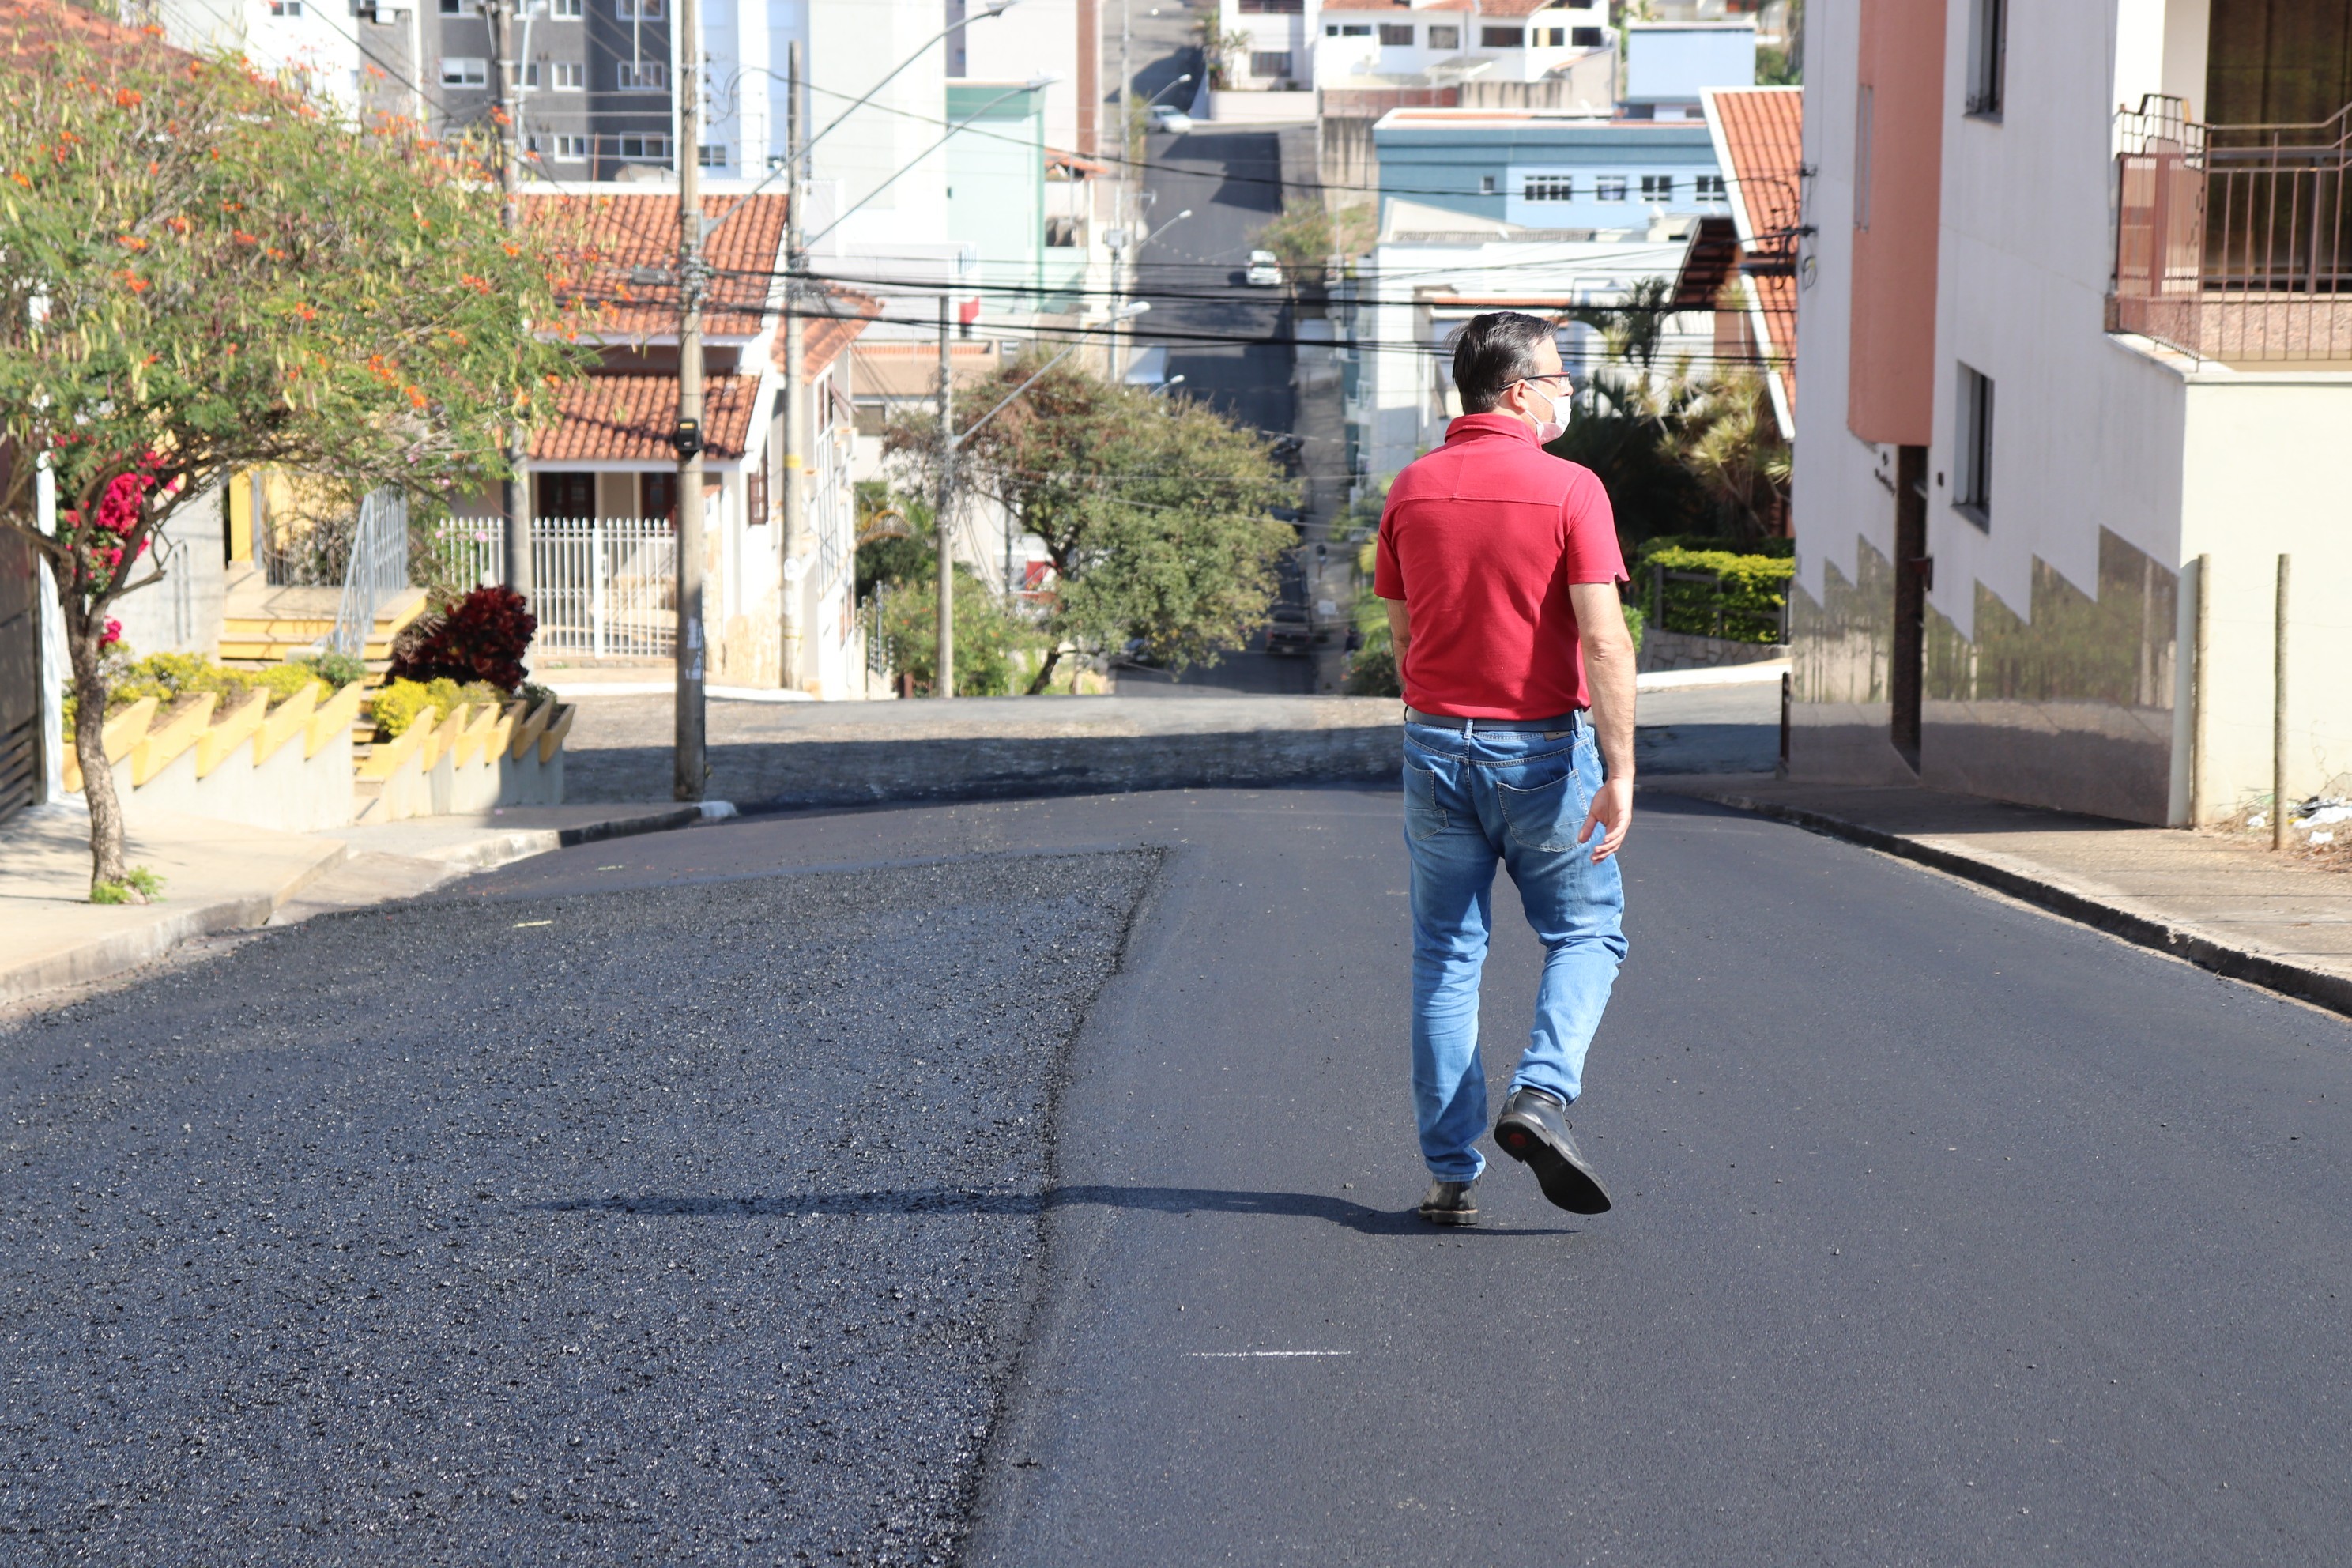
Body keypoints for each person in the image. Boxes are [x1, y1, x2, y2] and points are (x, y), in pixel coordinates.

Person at [1373, 311, 1635, 1228]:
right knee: (1588, 932)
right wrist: (1621, 767)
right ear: (1520, 391)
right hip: (1540, 748)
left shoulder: (1410, 489)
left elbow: (1404, 638)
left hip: (1436, 741)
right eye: (1560, 377)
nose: (1569, 391)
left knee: (1446, 956)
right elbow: (1603, 638)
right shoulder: (1571, 490)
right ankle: (1542, 1095)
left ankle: (1450, 1173)